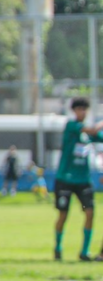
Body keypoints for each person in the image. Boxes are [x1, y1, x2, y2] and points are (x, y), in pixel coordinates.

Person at [52, 98, 103, 262]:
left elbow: (98, 136)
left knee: (89, 213)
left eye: (84, 109)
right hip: (65, 178)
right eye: (79, 109)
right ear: (74, 111)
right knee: (63, 215)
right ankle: (58, 248)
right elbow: (93, 130)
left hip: (83, 180)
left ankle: (84, 252)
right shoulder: (72, 126)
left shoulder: (88, 136)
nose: (82, 112)